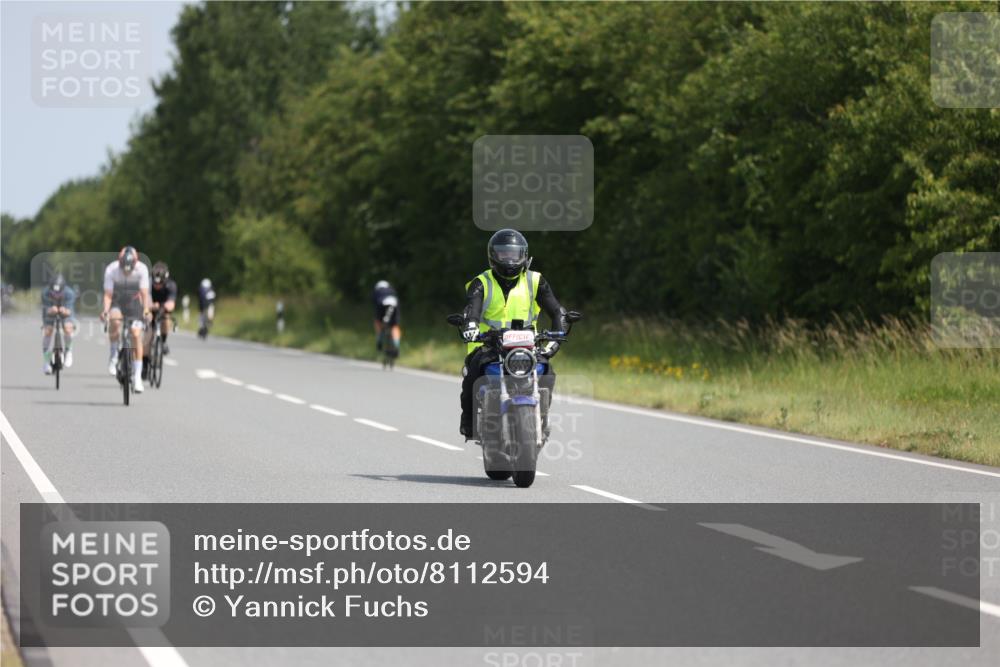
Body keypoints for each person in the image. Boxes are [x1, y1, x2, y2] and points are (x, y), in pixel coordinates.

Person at [458, 229, 568, 438]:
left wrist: (554, 340)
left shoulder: (535, 280)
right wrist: (471, 327)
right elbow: (472, 311)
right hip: (487, 346)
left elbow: (557, 311)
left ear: (524, 255)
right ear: (493, 256)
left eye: (514, 253)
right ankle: (469, 422)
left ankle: (542, 417)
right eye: (503, 253)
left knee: (548, 372)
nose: (509, 258)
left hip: (528, 346)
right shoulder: (481, 282)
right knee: (472, 376)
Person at [101, 246, 151, 392]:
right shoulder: (112, 269)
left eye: (130, 268)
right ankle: (114, 354)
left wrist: (146, 311)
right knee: (115, 320)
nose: (127, 271)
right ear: (120, 262)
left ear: (136, 262)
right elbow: (108, 295)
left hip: (134, 302)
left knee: (136, 334)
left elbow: (144, 294)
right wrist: (105, 311)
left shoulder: (142, 269)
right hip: (117, 300)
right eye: (124, 268)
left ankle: (137, 378)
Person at [142, 261, 177, 377]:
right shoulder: (147, 283)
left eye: (160, 283)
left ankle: (163, 340)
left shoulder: (171, 285)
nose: (157, 286)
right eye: (155, 283)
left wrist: (164, 306)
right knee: (148, 335)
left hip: (163, 308)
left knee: (166, 320)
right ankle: (145, 365)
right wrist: (149, 308)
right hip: (150, 307)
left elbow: (171, 303)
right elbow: (145, 299)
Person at [41, 274, 77, 374]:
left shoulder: (69, 293)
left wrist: (64, 310)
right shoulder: (45, 293)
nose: (56, 295)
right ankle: (46, 361)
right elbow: (45, 309)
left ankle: (68, 350)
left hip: (65, 311)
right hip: (50, 312)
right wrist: (50, 310)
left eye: (58, 293)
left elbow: (70, 311)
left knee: (68, 328)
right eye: (54, 292)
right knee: (47, 331)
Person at [372, 280, 401, 357]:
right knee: (394, 326)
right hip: (394, 305)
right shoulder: (392, 290)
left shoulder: (377, 291)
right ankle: (396, 346)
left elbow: (375, 304)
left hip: (382, 304)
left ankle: (379, 340)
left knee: (378, 321)